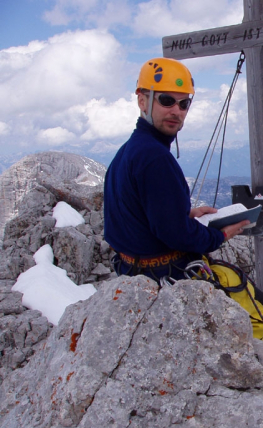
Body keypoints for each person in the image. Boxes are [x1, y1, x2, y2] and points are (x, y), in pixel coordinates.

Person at [104, 57, 249, 282]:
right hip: (165, 275)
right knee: (257, 307)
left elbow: (134, 213)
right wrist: (219, 236)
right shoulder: (154, 157)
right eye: (166, 100)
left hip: (131, 271)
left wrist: (182, 214)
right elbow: (176, 234)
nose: (177, 111)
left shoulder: (131, 149)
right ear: (142, 101)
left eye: (184, 104)